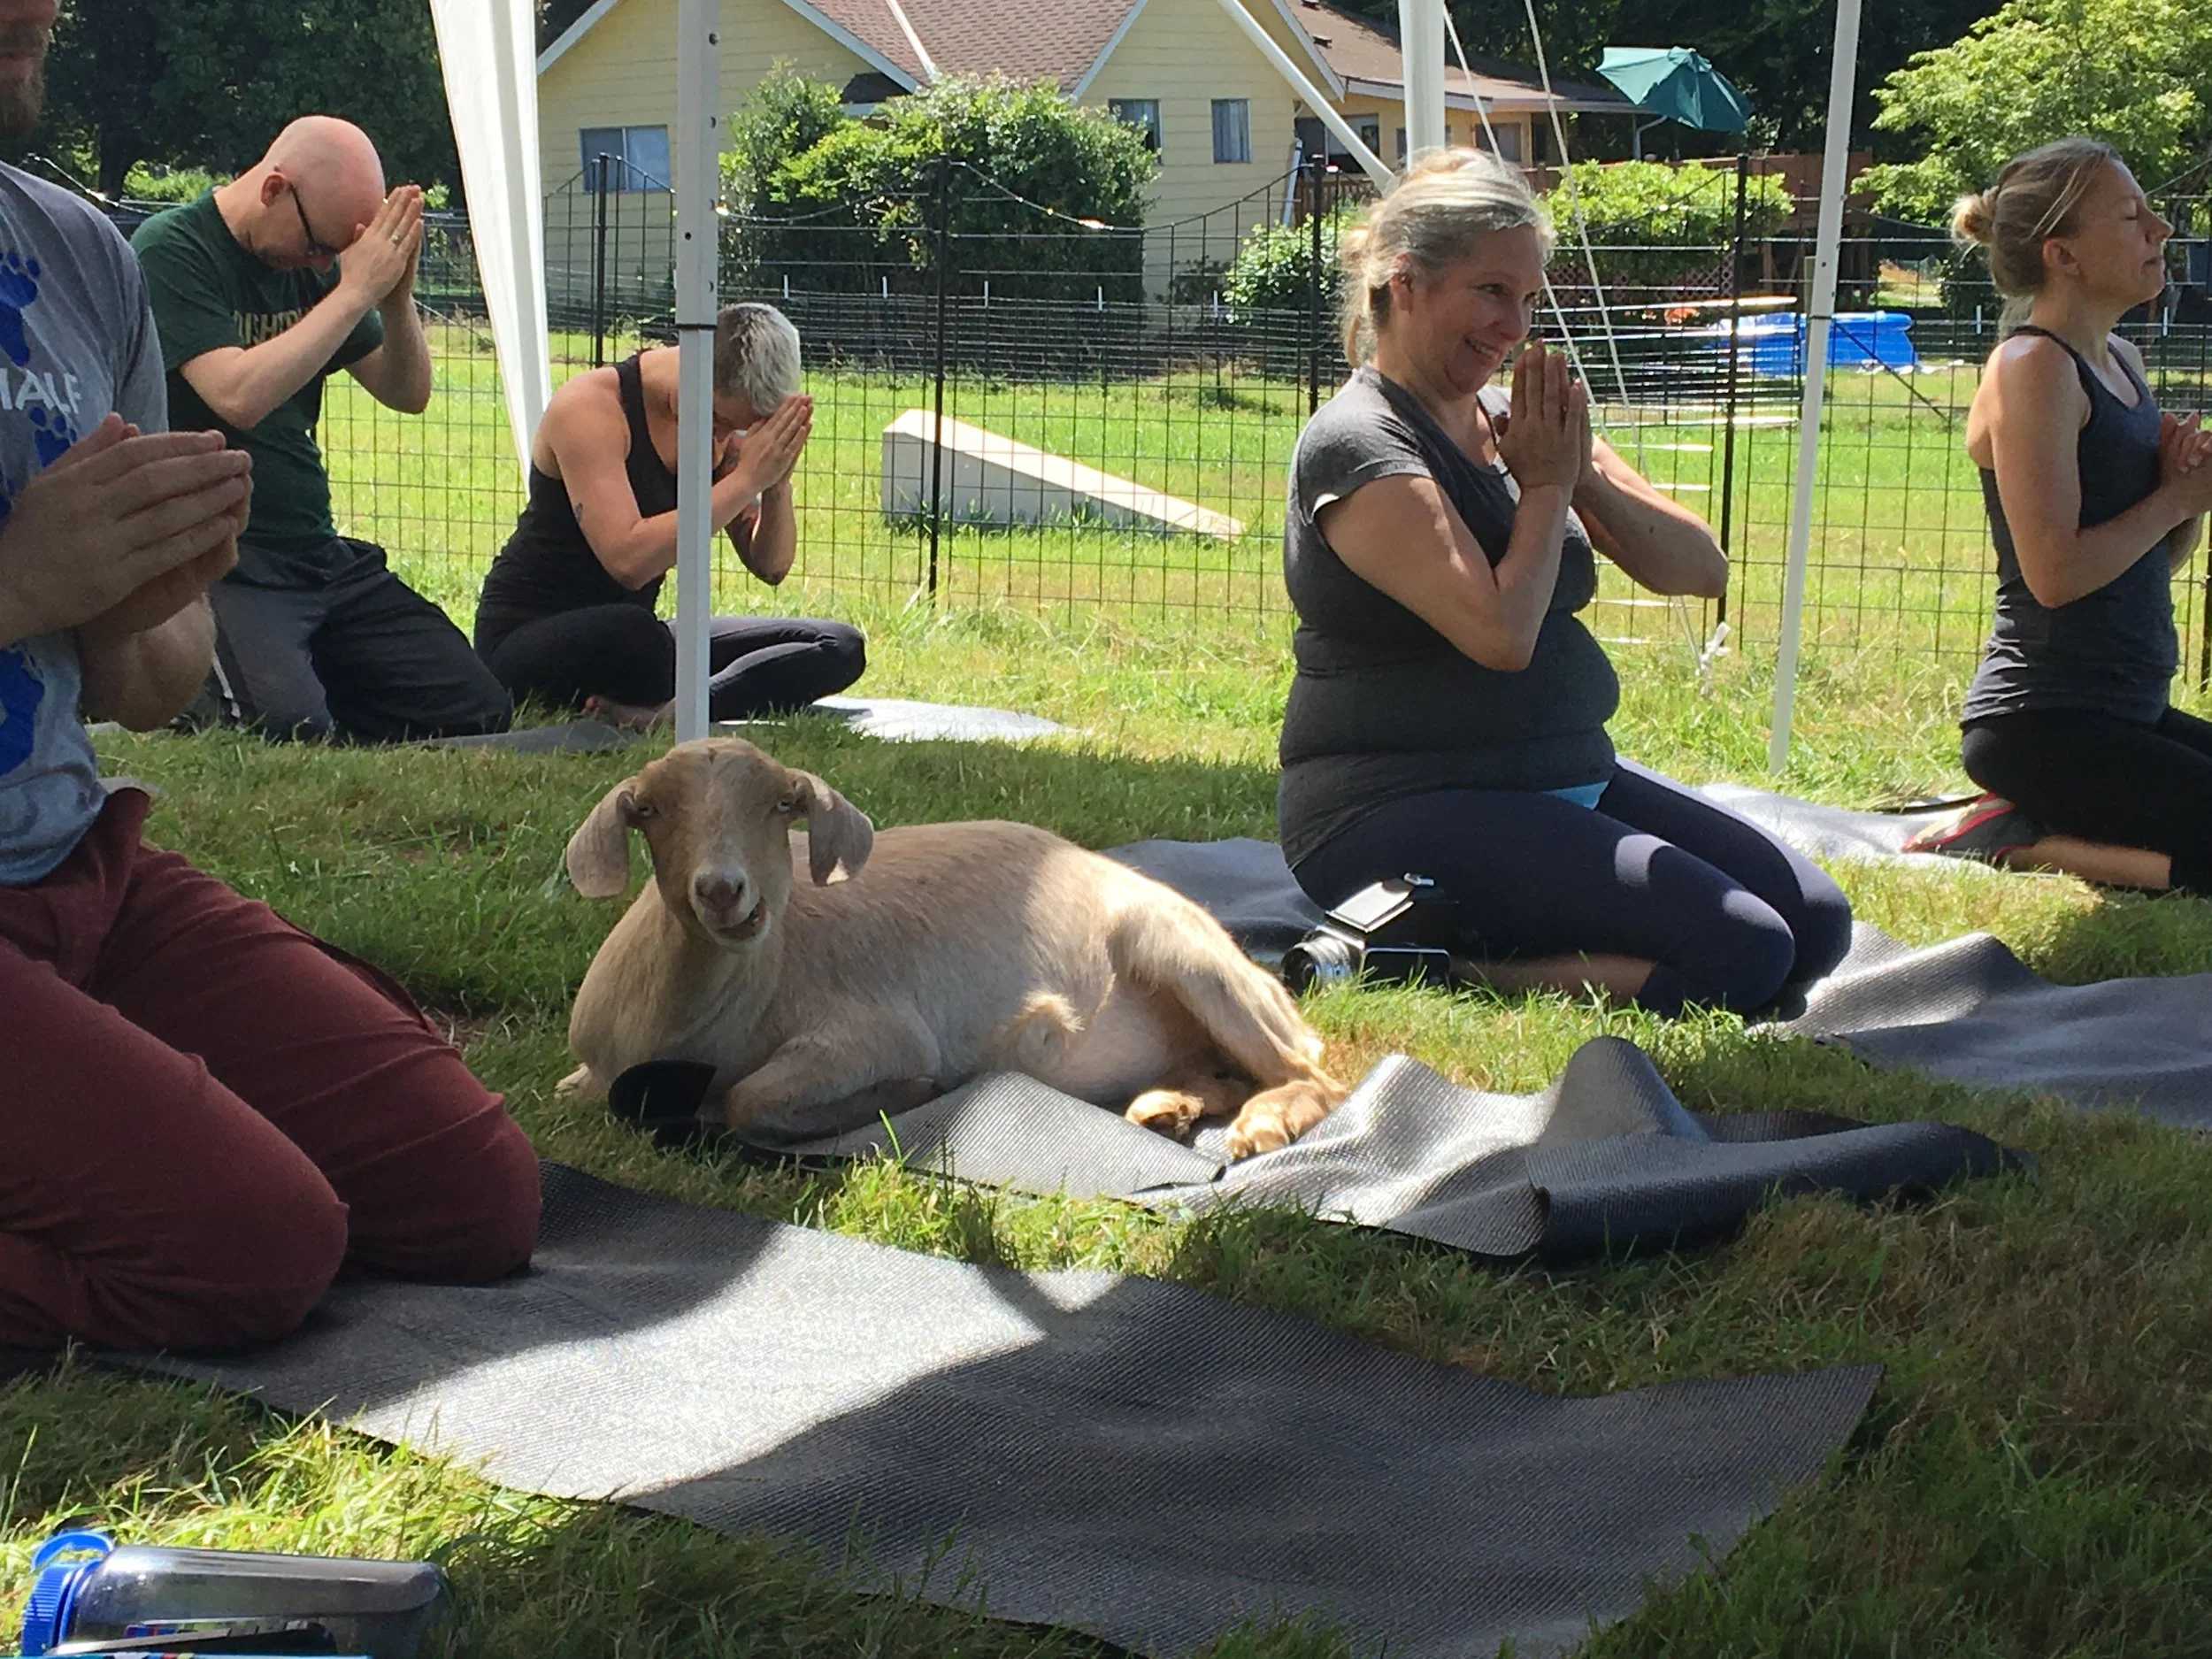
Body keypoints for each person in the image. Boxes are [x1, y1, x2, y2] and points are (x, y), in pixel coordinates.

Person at [0, 3, 539, 1353]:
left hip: (76, 862)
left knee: (474, 1195)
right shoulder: (170, 251)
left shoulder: (72, 251)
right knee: (254, 1249)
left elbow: (149, 684)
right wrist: (21, 583)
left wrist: (147, 593)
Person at [1278, 148, 1851, 1016]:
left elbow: (1699, 570)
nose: (1514, 326)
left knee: (1815, 922)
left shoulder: (1515, 420)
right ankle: (1417, 961)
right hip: (1395, 808)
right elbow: (1499, 636)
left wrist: (1573, 471)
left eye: (1530, 299)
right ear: (1405, 282)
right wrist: (1545, 487)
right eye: (1491, 291)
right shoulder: (1360, 444)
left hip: (1558, 775)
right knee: (1743, 953)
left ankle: (1540, 918)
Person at [128, 116, 512, 743]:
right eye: (318, 247)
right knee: (283, 726)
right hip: (221, 557)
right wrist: (354, 289)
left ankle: (303, 671)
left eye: (338, 253)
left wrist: (393, 298)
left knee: (476, 707)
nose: (324, 263)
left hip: (317, 553)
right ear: (274, 188)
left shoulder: (319, 268)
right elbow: (237, 395)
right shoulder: (171, 250)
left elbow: (406, 391)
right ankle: (209, 684)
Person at [1902, 138, 2212, 891]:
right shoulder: (2032, 367)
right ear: (2063, 255)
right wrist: (2174, 498)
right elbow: (2056, 575)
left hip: (2128, 710)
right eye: (2131, 216)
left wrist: (2186, 496)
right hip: (2044, 725)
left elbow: (2140, 565)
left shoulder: (2124, 364)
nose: (2160, 232)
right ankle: (2012, 838)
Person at [472, 303, 864, 727]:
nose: (722, 437)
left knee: (838, 645)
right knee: (639, 637)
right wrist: (745, 479)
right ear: (692, 374)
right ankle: (675, 701)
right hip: (528, 636)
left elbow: (771, 565)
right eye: (717, 419)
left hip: (641, 637)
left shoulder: (720, 432)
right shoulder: (592, 409)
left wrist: (776, 483)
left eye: (740, 429)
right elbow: (628, 561)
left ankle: (666, 714)